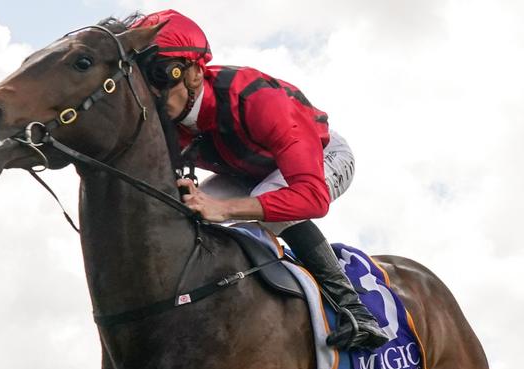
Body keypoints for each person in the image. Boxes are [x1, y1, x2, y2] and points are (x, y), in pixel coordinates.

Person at [130, 10, 392, 350]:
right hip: (245, 172)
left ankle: (355, 309)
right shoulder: (165, 120)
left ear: (194, 73)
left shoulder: (260, 101)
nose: (151, 94)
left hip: (321, 158)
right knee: (191, 211)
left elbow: (312, 198)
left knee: (264, 203)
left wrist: (225, 209)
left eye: (159, 79)